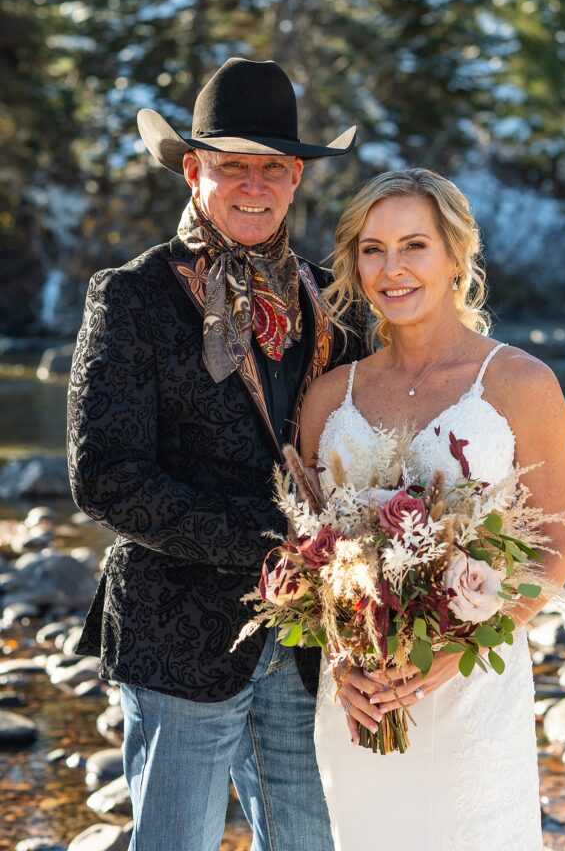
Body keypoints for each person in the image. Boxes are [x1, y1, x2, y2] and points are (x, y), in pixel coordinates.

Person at [67, 57, 362, 851]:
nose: (254, 185)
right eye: (233, 166)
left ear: (297, 176)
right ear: (195, 170)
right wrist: (276, 539)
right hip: (177, 632)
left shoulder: (334, 300)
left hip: (306, 641)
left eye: (272, 166)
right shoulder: (131, 296)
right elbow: (105, 480)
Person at [299, 167, 565, 850]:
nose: (391, 269)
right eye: (372, 249)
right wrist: (342, 661)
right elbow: (309, 553)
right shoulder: (327, 395)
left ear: (455, 257)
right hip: (361, 694)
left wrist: (452, 653)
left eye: (414, 246)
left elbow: (555, 551)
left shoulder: (519, 382)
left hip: (471, 688)